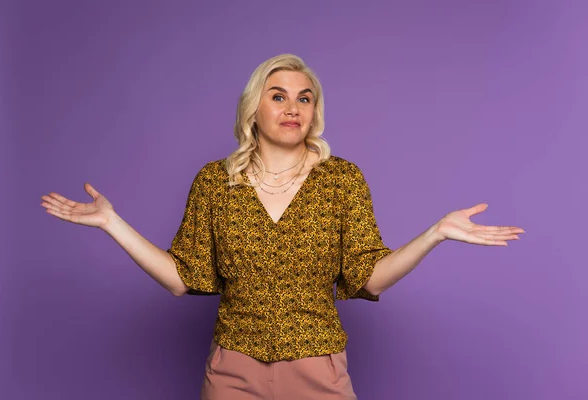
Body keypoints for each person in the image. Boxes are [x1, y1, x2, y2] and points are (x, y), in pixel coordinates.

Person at [40, 54, 525, 399]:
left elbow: (368, 276)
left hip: (319, 370)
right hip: (234, 369)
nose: (292, 107)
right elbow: (183, 278)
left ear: (314, 112)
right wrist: (111, 222)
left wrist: (435, 233)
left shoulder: (342, 180)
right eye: (278, 96)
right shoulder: (215, 182)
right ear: (255, 108)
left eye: (304, 98)